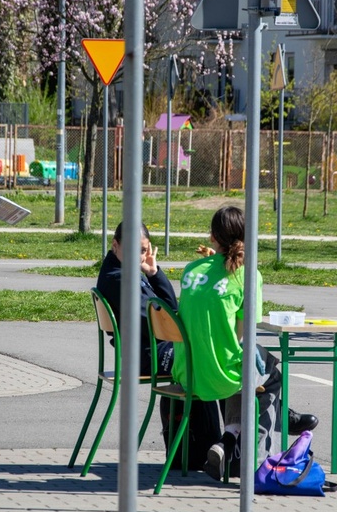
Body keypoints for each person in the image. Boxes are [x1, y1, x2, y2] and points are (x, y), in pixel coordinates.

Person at [175, 206, 318, 481]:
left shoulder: (191, 270)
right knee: (268, 373)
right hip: (222, 375)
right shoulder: (247, 274)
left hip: (187, 374)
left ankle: (228, 440)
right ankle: (256, 464)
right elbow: (244, 334)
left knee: (247, 365)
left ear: (212, 237)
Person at [96, 221, 177, 376]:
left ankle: (174, 401)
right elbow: (162, 324)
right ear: (115, 244)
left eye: (142, 250)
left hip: (155, 349)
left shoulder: (121, 270)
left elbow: (171, 310)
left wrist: (153, 273)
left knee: (207, 356)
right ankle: (175, 401)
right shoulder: (119, 280)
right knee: (206, 360)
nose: (138, 256)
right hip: (150, 356)